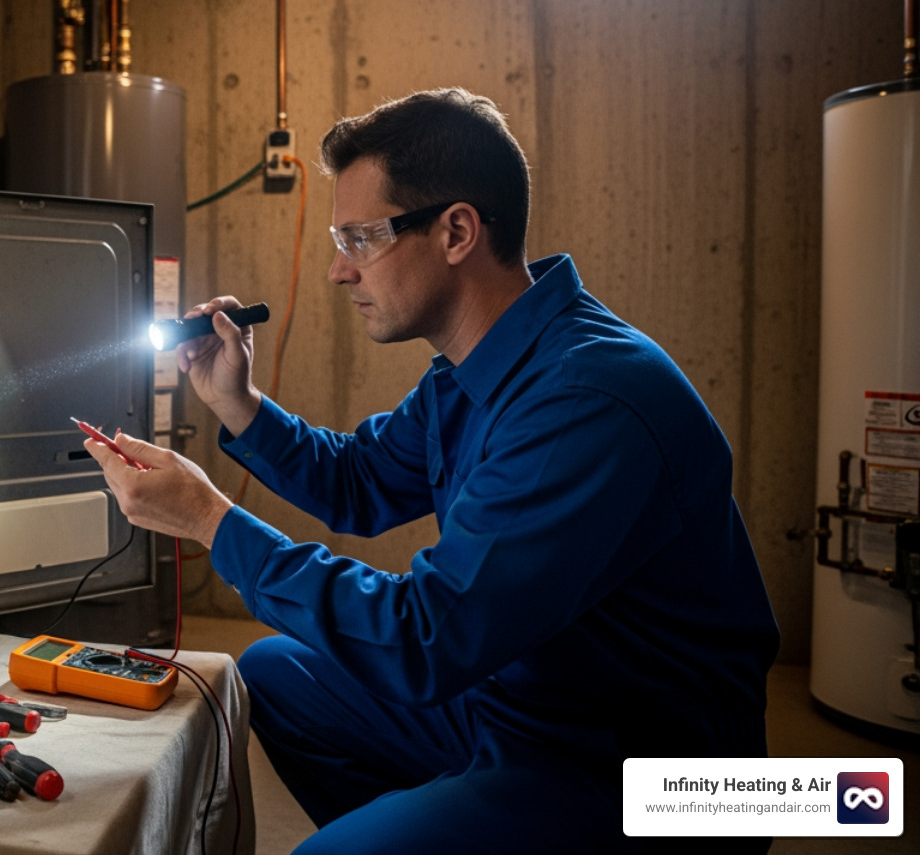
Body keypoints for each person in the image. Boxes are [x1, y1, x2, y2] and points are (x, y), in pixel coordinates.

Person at [84, 88, 780, 853]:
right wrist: (240, 402)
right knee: (279, 670)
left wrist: (209, 522)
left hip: (639, 769)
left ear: (455, 232)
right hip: (520, 702)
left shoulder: (588, 400)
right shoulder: (472, 370)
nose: (336, 272)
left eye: (361, 239)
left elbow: (425, 641)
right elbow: (361, 481)